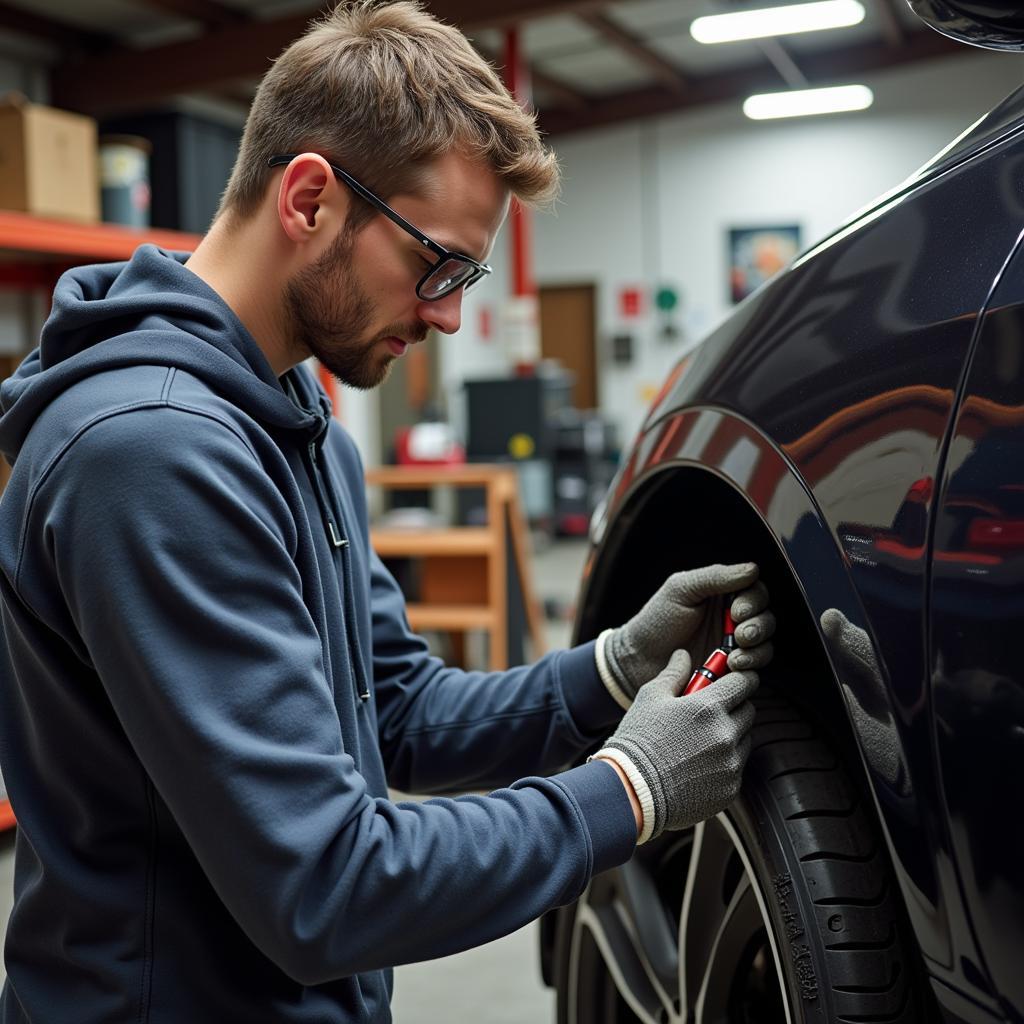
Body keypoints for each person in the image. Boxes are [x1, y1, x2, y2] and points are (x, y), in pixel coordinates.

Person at [0, 3, 774, 1021]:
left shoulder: (289, 410)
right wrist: (626, 790)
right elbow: (327, 886)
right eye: (436, 263)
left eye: (469, 275)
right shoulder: (152, 454)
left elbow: (394, 711)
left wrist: (609, 671)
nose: (451, 313)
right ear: (310, 197)